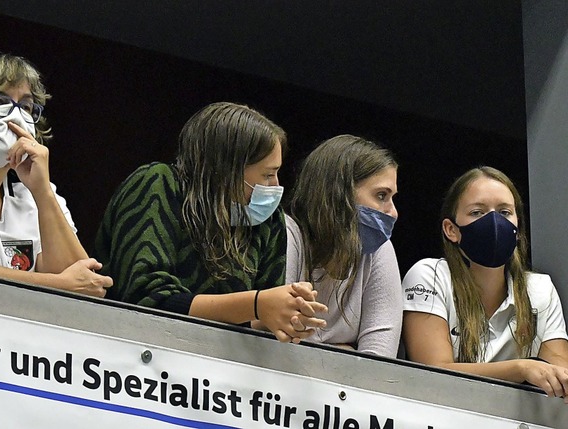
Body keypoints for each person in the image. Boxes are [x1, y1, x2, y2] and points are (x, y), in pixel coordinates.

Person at [94, 101, 327, 343]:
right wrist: (257, 304)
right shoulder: (159, 185)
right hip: (125, 356)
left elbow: (253, 320)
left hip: (212, 371)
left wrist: (286, 315)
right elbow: (146, 296)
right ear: (227, 169)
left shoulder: (269, 221)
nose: (276, 186)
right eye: (267, 175)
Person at [0, 52, 112, 297]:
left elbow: (84, 287)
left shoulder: (35, 187)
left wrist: (42, 192)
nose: (15, 115)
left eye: (25, 106)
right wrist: (55, 285)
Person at [402, 166, 568, 402]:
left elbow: (559, 376)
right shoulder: (430, 275)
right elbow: (432, 372)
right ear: (451, 230)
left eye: (504, 212)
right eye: (478, 212)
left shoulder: (540, 289)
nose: (494, 222)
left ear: (517, 227)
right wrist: (521, 369)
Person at [285, 135, 402, 355]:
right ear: (338, 194)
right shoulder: (289, 234)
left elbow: (379, 362)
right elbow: (275, 345)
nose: (393, 212)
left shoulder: (379, 250)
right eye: (381, 195)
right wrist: (346, 353)